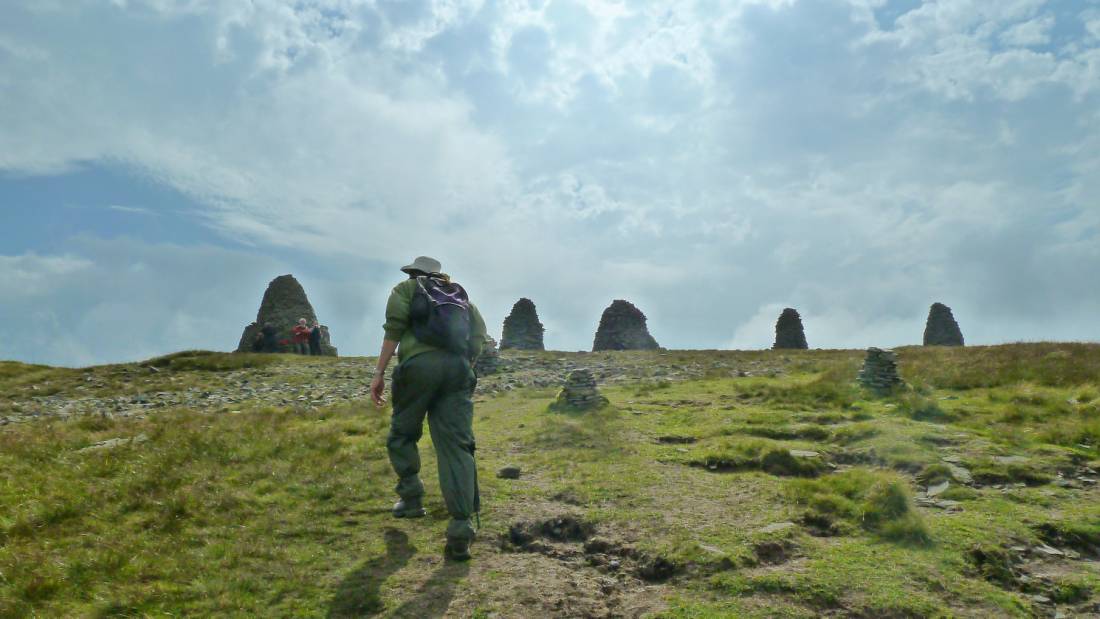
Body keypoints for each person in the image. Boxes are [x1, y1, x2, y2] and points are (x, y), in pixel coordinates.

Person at [370, 255, 488, 562]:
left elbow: (393, 330)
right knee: (456, 446)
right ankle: (461, 530)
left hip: (417, 368)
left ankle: (411, 499)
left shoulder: (406, 290)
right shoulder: (461, 298)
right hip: (458, 369)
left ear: (414, 273)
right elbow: (478, 337)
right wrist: (465, 366)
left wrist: (379, 373)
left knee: (403, 434)